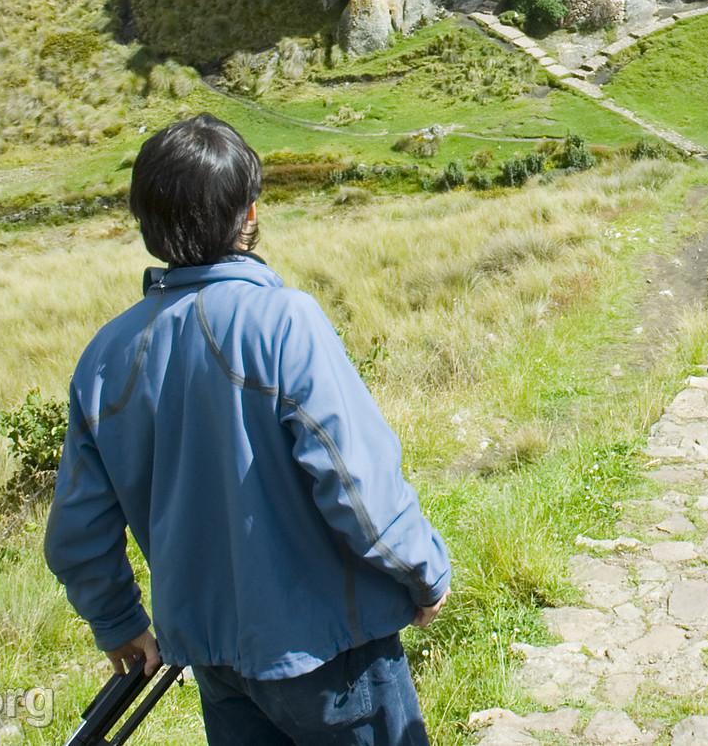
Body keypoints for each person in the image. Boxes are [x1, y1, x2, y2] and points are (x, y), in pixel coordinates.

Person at [45, 114, 451, 746]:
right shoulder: (284, 322)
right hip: (333, 653)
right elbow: (354, 482)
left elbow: (77, 535)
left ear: (146, 224)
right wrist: (423, 572)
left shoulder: (105, 357)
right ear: (250, 213)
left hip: (215, 663)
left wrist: (119, 621)